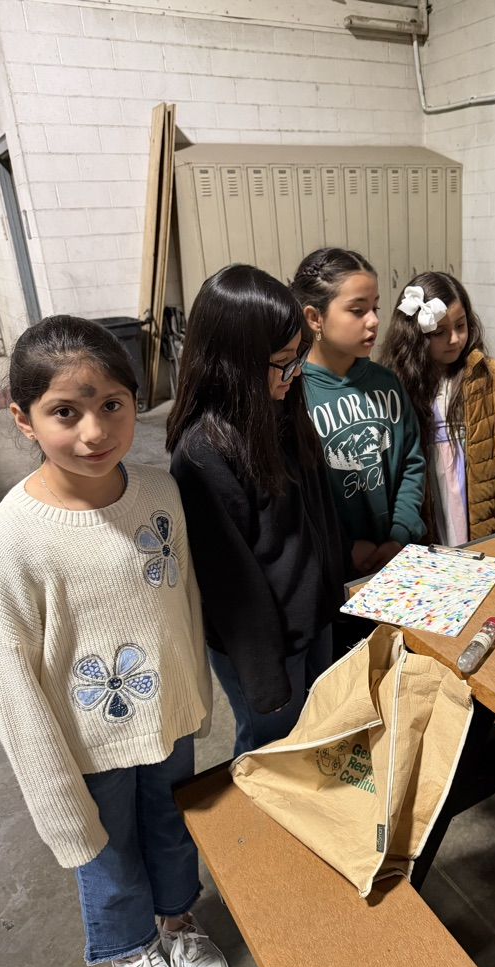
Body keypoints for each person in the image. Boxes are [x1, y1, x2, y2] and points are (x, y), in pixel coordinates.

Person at [0, 316, 230, 967]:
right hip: (86, 743)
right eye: (65, 412)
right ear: (23, 419)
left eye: (111, 406)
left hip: (167, 722)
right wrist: (50, 791)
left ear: (135, 400)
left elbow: (179, 602)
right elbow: (11, 680)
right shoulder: (15, 537)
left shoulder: (161, 494)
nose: (95, 432)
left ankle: (177, 920)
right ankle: (130, 948)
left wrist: (194, 699)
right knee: (104, 848)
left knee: (171, 828)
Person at [167, 263, 345, 757]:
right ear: (236, 362)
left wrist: (336, 598)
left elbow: (319, 517)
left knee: (318, 737)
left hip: (314, 622)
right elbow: (229, 586)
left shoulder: (284, 409)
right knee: (271, 754)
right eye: (283, 361)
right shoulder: (203, 454)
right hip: (266, 650)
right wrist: (265, 681)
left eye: (299, 358)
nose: (296, 373)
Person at [291, 248, 426, 578]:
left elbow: (412, 461)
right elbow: (294, 495)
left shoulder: (387, 384)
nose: (374, 320)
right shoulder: (292, 394)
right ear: (314, 318)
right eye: (357, 310)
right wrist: (342, 545)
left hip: (397, 557)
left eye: (375, 307)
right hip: (331, 566)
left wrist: (399, 537)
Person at [380, 273, 495, 544]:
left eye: (461, 326)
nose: (454, 339)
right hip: (425, 542)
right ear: (414, 334)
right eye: (439, 332)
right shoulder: (396, 389)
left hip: (488, 538)